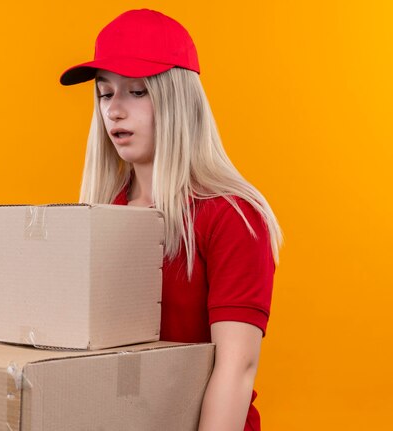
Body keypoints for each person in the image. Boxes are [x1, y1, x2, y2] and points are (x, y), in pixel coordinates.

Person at [59, 8, 283, 431]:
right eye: (106, 94)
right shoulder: (104, 213)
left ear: (178, 97)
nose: (115, 111)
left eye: (138, 92)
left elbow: (236, 370)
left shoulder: (232, 216)